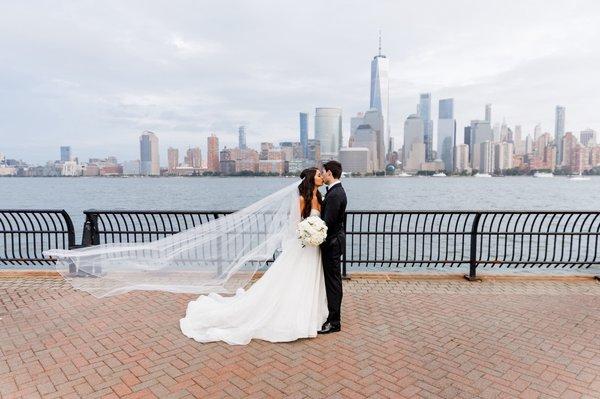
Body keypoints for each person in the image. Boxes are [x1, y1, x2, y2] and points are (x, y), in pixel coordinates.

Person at [179, 168, 329, 345]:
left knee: (308, 280)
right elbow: (295, 225)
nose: (321, 177)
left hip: (314, 248)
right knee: (294, 279)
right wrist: (307, 233)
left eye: (322, 174)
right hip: (303, 245)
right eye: (319, 175)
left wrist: (317, 232)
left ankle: (309, 316)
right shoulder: (302, 199)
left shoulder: (319, 198)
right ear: (312, 179)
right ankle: (291, 317)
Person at [318, 160, 347, 334]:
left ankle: (334, 322)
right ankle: (332, 317)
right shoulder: (334, 192)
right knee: (333, 281)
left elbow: (327, 223)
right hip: (334, 242)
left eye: (323, 172)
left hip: (332, 244)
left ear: (329, 173)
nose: (321, 175)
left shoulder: (335, 194)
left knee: (333, 283)